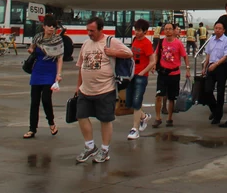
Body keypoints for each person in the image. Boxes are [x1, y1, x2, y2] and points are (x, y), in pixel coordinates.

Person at [75, 17, 133, 164]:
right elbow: (81, 66)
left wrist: (113, 52)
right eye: (87, 30)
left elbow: (129, 53)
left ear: (101, 29)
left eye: (92, 31)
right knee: (81, 116)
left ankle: (105, 149)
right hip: (85, 90)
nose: (89, 33)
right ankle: (89, 146)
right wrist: (78, 86)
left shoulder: (110, 41)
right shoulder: (86, 44)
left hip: (105, 89)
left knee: (105, 120)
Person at [23, 15, 64, 139]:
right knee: (34, 101)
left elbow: (60, 58)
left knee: (46, 99)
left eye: (54, 27)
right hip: (37, 71)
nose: (51, 28)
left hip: (50, 71)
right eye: (49, 26)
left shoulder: (58, 40)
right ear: (44, 26)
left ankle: (51, 123)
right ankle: (32, 129)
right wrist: (31, 51)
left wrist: (58, 74)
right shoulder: (38, 38)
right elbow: (31, 48)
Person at [154, 22, 190, 128]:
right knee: (158, 96)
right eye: (166, 29)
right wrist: (154, 65)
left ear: (174, 30)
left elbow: (185, 56)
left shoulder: (178, 43)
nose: (167, 31)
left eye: (170, 29)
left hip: (174, 74)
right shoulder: (161, 42)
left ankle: (169, 118)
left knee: (171, 98)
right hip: (162, 74)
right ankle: (157, 118)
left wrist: (188, 69)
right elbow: (156, 54)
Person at [126, 19, 156, 140]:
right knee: (129, 103)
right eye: (136, 30)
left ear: (145, 31)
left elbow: (152, 61)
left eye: (139, 30)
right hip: (131, 75)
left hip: (141, 77)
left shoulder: (147, 43)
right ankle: (143, 117)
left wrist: (143, 72)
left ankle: (135, 129)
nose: (137, 32)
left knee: (137, 102)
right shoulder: (134, 41)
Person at [203, 22, 227, 125]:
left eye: (220, 28)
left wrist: (216, 64)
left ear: (223, 30)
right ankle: (215, 110)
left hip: (221, 67)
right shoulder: (211, 39)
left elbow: (226, 56)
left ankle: (218, 116)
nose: (217, 30)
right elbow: (208, 54)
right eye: (216, 28)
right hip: (211, 66)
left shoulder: (226, 40)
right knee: (207, 90)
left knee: (220, 92)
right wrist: (205, 67)